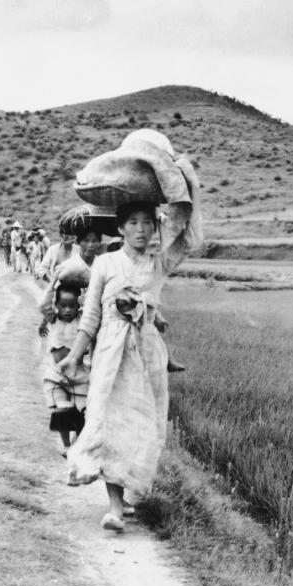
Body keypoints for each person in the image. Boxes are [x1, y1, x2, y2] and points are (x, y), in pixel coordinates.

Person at [57, 168, 202, 533]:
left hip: (147, 351)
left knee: (141, 423)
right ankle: (114, 508)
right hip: (110, 352)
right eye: (132, 222)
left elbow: (186, 235)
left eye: (146, 222)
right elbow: (91, 315)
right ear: (120, 228)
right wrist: (75, 354)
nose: (140, 229)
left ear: (155, 228)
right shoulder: (106, 263)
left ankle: (129, 493)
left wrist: (186, 185)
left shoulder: (159, 263)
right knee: (110, 421)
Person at [41, 284, 91, 455]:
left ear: (79, 305)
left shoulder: (83, 319)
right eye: (63, 306)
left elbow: (93, 312)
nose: (67, 310)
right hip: (57, 374)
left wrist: (87, 298)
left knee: (82, 413)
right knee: (62, 410)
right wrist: (54, 280)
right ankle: (66, 446)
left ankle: (77, 443)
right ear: (56, 305)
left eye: (72, 306)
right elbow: (43, 305)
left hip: (79, 374)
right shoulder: (54, 320)